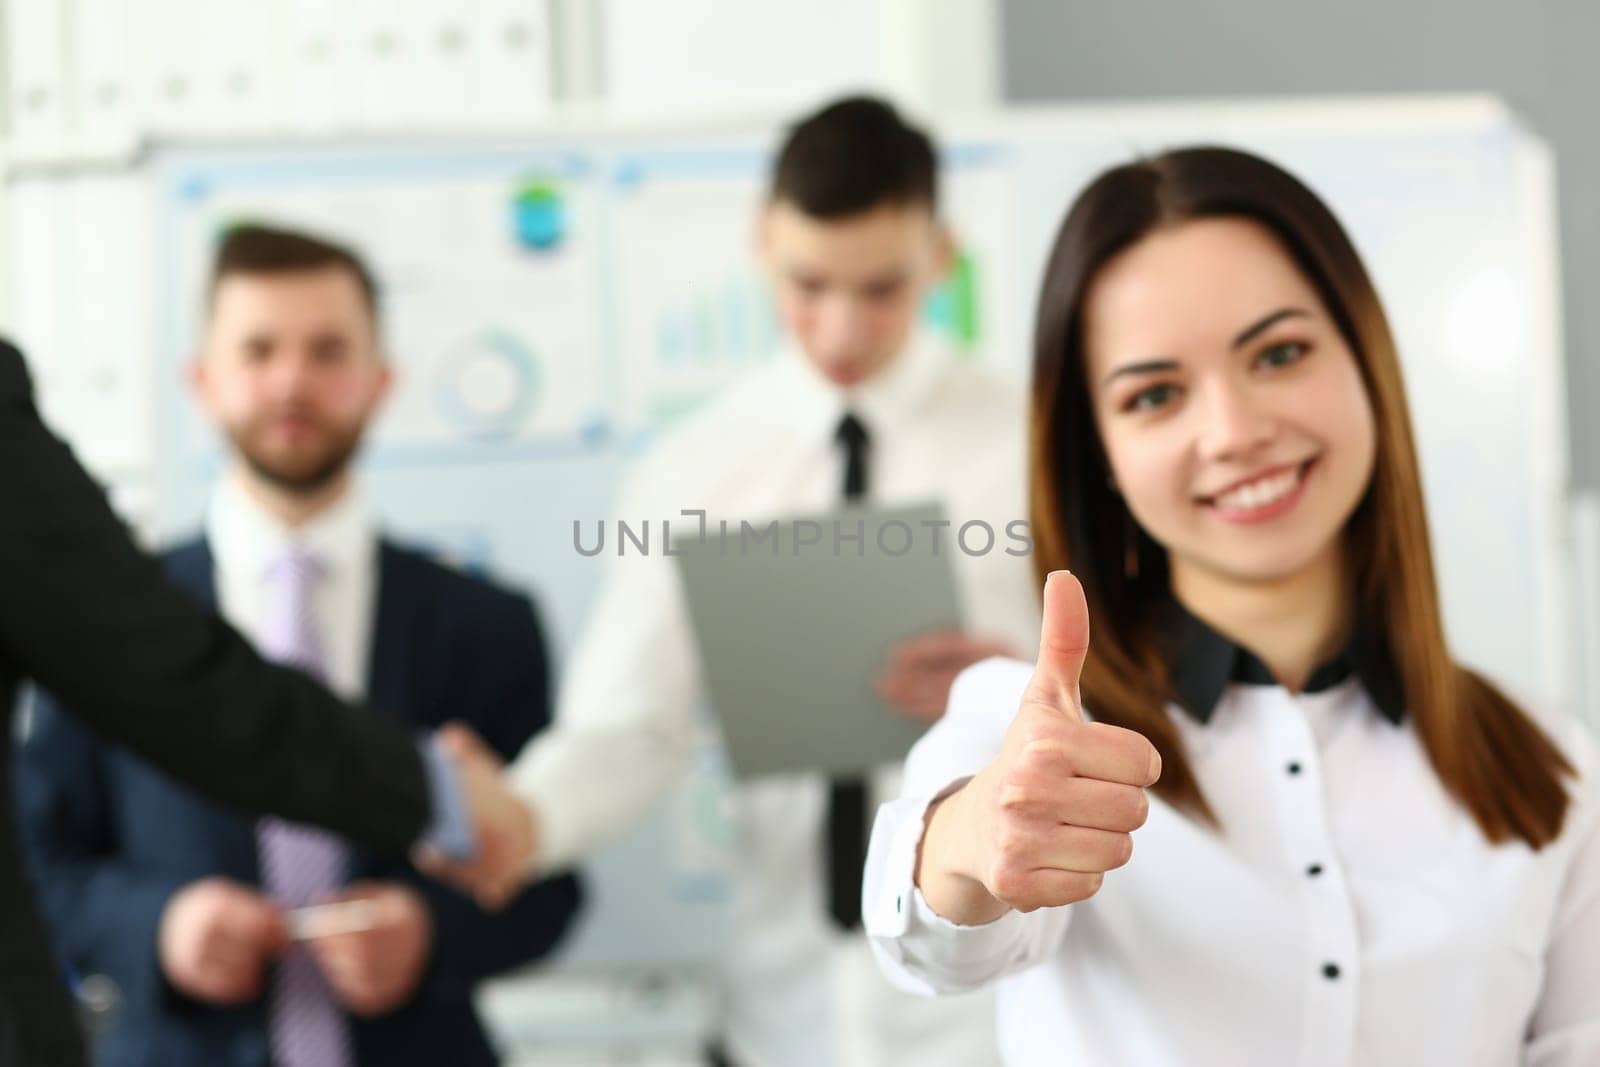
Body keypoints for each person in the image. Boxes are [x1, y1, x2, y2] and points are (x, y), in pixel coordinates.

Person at [862, 146, 1599, 1066]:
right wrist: (976, 837)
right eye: (1157, 395)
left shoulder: (1552, 761)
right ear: (1099, 455)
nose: (1235, 432)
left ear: (1365, 359)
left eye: (1279, 353)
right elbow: (927, 929)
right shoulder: (1038, 735)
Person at [428, 95, 1039, 1065]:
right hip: (780, 1014)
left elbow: (1150, 702)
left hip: (996, 1015)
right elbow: (628, 726)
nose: (840, 326)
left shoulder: (1034, 444)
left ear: (939, 254)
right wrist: (523, 819)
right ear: (760, 243)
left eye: (881, 287)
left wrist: (1022, 693)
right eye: (806, 283)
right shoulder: (694, 470)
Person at [15, 225, 581, 1067]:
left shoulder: (484, 623)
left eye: (326, 350)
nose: (290, 381)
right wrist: (159, 927)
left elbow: (548, 871)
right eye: (258, 349)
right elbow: (37, 857)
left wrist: (431, 930)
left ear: (382, 380)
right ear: (200, 380)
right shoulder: (100, 614)